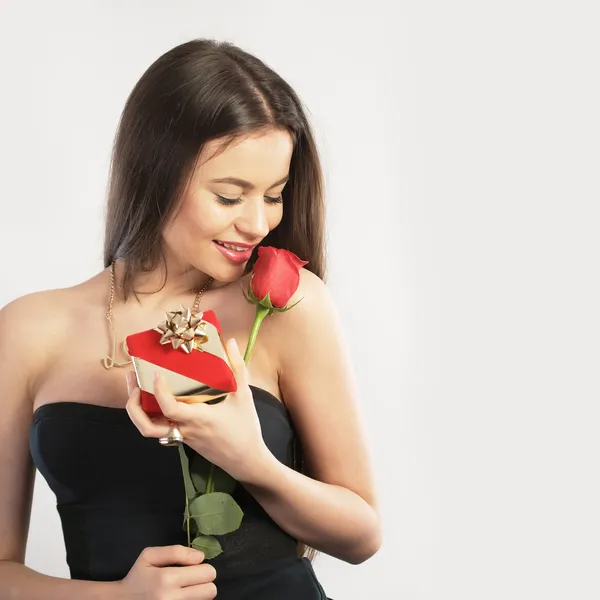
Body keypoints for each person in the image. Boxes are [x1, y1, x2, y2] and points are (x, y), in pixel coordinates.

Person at [0, 39, 381, 600]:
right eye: (230, 196)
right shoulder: (29, 329)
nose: (258, 224)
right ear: (155, 172)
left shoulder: (284, 304)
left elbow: (362, 534)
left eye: (274, 195)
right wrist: (115, 598)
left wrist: (251, 460)